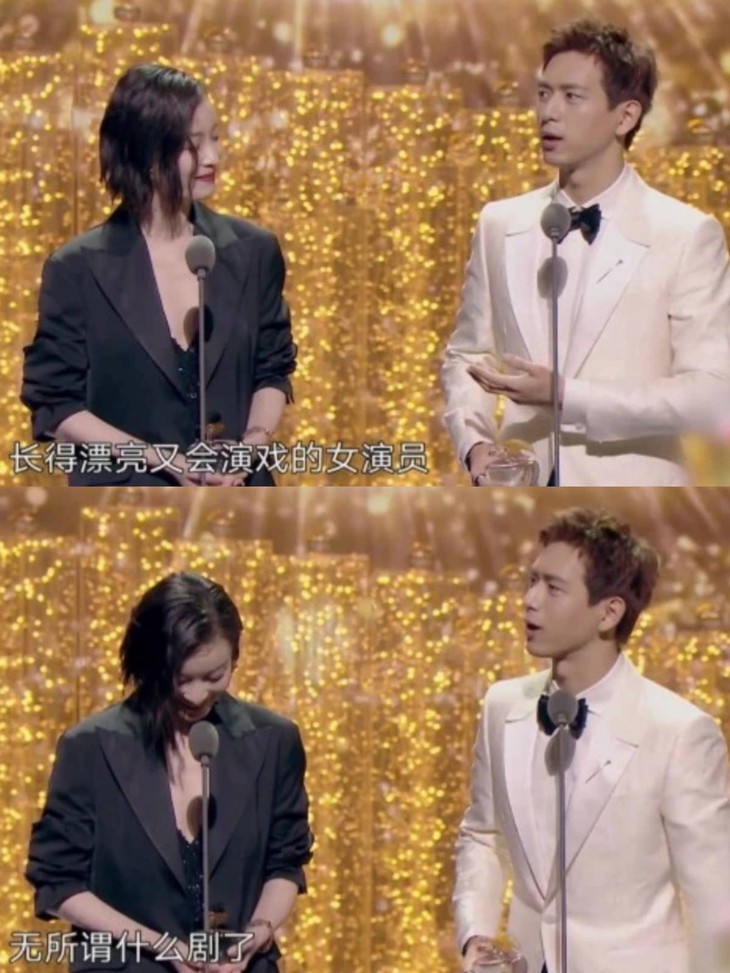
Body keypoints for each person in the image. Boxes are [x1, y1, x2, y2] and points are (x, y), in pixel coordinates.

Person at [441, 19, 730, 487]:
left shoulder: (685, 233)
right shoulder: (500, 223)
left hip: (635, 495)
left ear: (626, 116)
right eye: (543, 94)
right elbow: (467, 354)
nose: (548, 113)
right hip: (521, 488)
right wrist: (474, 444)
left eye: (572, 96)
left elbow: (712, 393)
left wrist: (567, 396)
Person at [453, 508, 730, 973]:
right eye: (532, 581)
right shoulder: (502, 706)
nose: (530, 601)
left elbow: (715, 904)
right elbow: (483, 834)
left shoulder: (679, 731)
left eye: (553, 588)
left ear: (609, 612)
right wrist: (476, 935)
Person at [21, 64, 296, 486]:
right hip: (128, 501)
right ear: (145, 152)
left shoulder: (253, 251)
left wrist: (251, 446)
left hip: (237, 496)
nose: (213, 157)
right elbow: (57, 404)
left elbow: (272, 370)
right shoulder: (77, 267)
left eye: (216, 138)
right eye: (193, 144)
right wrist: (163, 460)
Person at [26, 572, 314, 972]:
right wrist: (162, 946)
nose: (196, 695)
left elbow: (285, 863)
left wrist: (256, 934)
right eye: (181, 679)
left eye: (214, 676)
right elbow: (59, 883)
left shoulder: (274, 741)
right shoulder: (90, 746)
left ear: (235, 657)